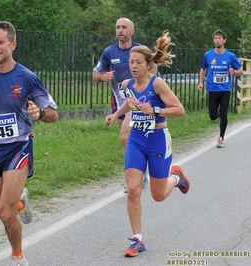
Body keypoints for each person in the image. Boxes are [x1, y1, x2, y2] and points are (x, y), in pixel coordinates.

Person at [0, 21, 58, 266]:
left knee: (6, 213)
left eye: (0, 42)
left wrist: (40, 114)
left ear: (12, 44)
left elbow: (53, 113)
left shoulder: (27, 78)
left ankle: (17, 256)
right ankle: (20, 201)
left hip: (18, 148)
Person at [105, 31, 190, 257]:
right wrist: (116, 114)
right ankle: (137, 240)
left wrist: (156, 110)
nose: (133, 66)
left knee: (158, 195)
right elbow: (129, 103)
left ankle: (177, 177)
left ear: (148, 64)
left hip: (158, 141)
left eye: (138, 62)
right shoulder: (127, 84)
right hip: (136, 140)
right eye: (131, 62)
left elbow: (180, 110)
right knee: (133, 190)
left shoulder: (157, 84)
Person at [93, 18, 157, 193]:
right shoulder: (109, 52)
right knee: (130, 140)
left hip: (137, 100)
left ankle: (131, 177)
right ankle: (139, 171)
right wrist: (103, 77)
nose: (120, 30)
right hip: (119, 101)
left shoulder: (139, 50)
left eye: (124, 28)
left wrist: (142, 82)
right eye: (117, 27)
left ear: (131, 32)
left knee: (125, 136)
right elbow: (95, 73)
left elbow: (154, 70)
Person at [197, 29, 243, 148]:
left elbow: (241, 71)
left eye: (219, 38)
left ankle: (221, 138)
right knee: (213, 115)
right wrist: (200, 82)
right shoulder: (208, 55)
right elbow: (203, 69)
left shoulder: (230, 56)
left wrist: (234, 72)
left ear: (224, 40)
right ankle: (219, 116)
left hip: (225, 89)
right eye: (216, 38)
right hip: (212, 89)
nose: (217, 40)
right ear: (213, 40)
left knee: (224, 113)